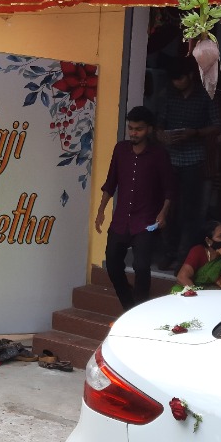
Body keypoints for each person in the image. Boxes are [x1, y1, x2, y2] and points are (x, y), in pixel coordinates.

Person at [95, 105, 175, 311]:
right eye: (130, 128)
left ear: (148, 129)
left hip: (146, 221)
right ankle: (129, 305)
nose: (133, 133)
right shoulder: (120, 149)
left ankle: (138, 308)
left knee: (141, 266)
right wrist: (101, 211)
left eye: (138, 129)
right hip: (121, 219)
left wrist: (163, 213)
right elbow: (110, 182)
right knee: (112, 264)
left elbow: (169, 189)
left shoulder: (159, 155)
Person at [156, 58, 220, 262]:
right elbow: (158, 124)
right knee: (167, 207)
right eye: (174, 80)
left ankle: (184, 254)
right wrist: (161, 135)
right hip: (170, 158)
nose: (177, 83)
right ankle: (168, 251)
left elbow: (218, 125)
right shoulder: (168, 96)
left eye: (180, 79)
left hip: (193, 159)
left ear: (191, 76)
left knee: (188, 210)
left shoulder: (204, 97)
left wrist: (195, 133)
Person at [171, 220, 221, 292]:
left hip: (220, 294)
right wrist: (198, 295)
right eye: (220, 236)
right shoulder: (199, 251)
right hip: (198, 291)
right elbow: (182, 277)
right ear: (208, 241)